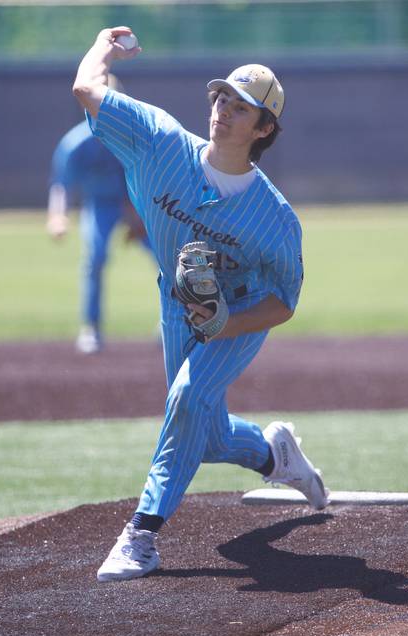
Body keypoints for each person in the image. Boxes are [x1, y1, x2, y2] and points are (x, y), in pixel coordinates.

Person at [72, 26, 329, 582]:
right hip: (176, 301)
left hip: (241, 312)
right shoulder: (160, 142)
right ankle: (272, 453)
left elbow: (283, 302)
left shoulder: (275, 218)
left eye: (242, 108)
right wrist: (102, 45)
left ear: (264, 128)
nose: (224, 111)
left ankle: (141, 534)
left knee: (188, 395)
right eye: (222, 99)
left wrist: (226, 323)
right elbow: (87, 90)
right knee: (205, 435)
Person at [47, 74, 151, 354]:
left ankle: (176, 325)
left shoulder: (133, 139)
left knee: (169, 258)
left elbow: (145, 179)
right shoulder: (77, 143)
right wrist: (58, 216)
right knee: (94, 258)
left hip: (136, 203)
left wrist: (138, 217)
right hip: (100, 206)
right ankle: (91, 328)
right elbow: (62, 184)